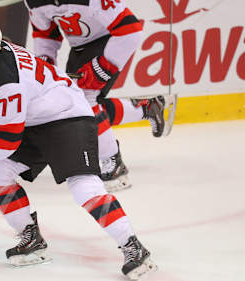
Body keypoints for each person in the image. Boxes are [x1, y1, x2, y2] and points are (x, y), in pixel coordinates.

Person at [0, 16, 157, 281]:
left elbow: (5, 141)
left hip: (69, 117)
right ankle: (31, 239)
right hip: (36, 118)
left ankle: (133, 247)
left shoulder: (7, 80)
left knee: (83, 186)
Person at [24, 0, 174, 192]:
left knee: (84, 99)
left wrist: (102, 67)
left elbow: (130, 31)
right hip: (80, 47)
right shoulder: (33, 2)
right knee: (79, 106)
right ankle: (147, 108)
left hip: (110, 41)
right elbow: (45, 32)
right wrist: (45, 64)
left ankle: (114, 164)